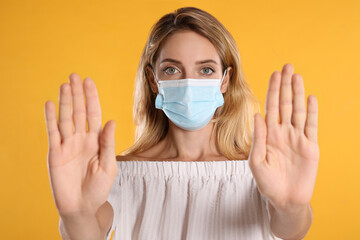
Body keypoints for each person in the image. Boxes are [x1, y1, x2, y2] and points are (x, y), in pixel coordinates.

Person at [44, 6, 319, 240]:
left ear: (225, 80)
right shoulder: (121, 174)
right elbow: (87, 232)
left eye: (206, 69)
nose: (189, 83)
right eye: (172, 70)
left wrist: (292, 207)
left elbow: (291, 230)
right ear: (153, 80)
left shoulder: (261, 172)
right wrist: (75, 213)